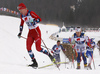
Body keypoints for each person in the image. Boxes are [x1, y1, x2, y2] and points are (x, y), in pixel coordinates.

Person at [17, 3, 55, 68]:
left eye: (21, 10)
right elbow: (21, 24)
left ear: (24, 9)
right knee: (28, 48)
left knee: (38, 48)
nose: (20, 12)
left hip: (36, 32)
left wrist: (34, 21)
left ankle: (50, 56)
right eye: (19, 11)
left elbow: (39, 19)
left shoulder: (31, 13)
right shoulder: (22, 16)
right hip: (30, 33)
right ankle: (34, 62)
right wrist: (20, 32)